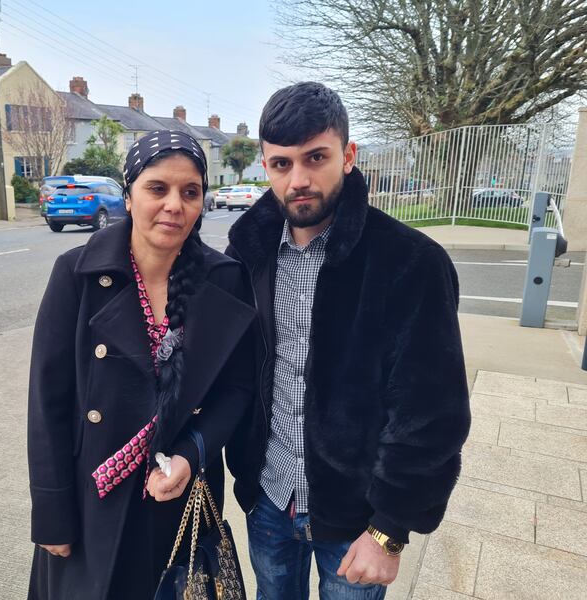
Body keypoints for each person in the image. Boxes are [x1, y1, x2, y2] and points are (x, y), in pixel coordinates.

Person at [225, 82, 471, 599]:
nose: (299, 179)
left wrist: (390, 529)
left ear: (349, 155)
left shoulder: (410, 263)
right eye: (281, 164)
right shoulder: (246, 254)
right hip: (269, 500)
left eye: (316, 157)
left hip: (357, 518)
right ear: (265, 166)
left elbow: (432, 413)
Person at [27, 130, 255, 600]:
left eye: (190, 192)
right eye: (158, 188)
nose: (175, 204)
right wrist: (52, 515)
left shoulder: (224, 280)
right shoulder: (77, 275)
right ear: (128, 194)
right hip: (93, 500)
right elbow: (47, 403)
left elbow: (237, 390)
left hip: (176, 498)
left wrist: (191, 456)